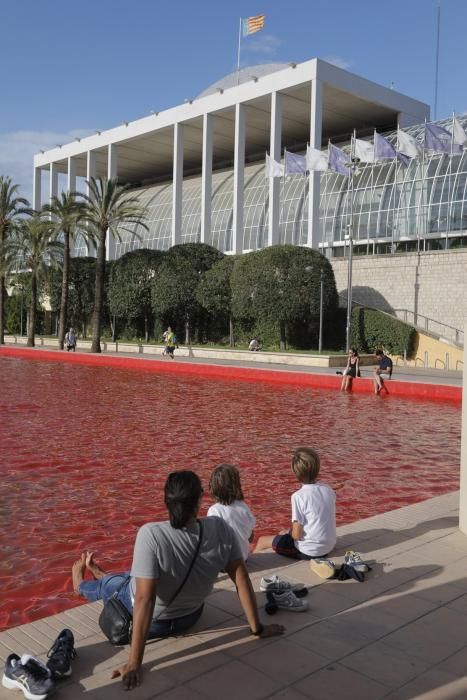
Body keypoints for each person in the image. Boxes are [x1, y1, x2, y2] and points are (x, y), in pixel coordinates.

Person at [72, 471, 284, 690]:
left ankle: (81, 585)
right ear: (200, 499)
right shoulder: (220, 528)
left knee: (114, 587)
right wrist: (257, 629)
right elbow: (241, 579)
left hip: (153, 620)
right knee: (130, 576)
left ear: (166, 501)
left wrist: (134, 663)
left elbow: (145, 601)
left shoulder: (150, 534)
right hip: (189, 616)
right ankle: (105, 575)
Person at [254, 447, 337, 579]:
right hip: (329, 545)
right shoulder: (328, 489)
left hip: (308, 551)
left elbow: (297, 535)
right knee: (283, 533)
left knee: (262, 541)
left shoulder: (298, 497)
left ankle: (256, 574)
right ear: (318, 467)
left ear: (295, 472)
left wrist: (289, 533)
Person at [207, 464, 256, 561]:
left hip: (225, 563)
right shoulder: (243, 507)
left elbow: (212, 541)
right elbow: (250, 537)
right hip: (243, 558)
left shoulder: (214, 510)